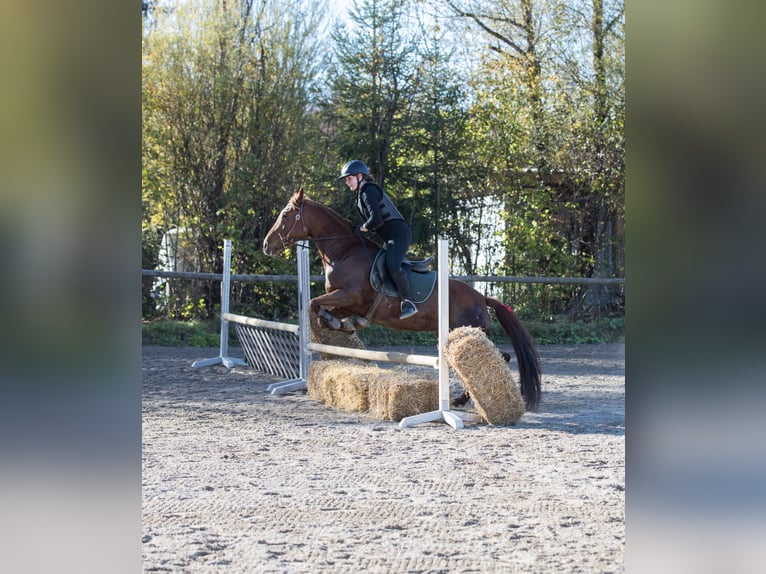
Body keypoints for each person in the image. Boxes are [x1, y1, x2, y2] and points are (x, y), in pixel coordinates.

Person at [339, 159, 418, 320]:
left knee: (392, 264)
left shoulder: (368, 190)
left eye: (349, 178)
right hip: (389, 237)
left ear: (360, 176)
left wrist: (362, 228)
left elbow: (377, 220)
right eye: (346, 179)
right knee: (376, 266)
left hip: (398, 234)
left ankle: (409, 302)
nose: (347, 183)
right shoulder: (360, 196)